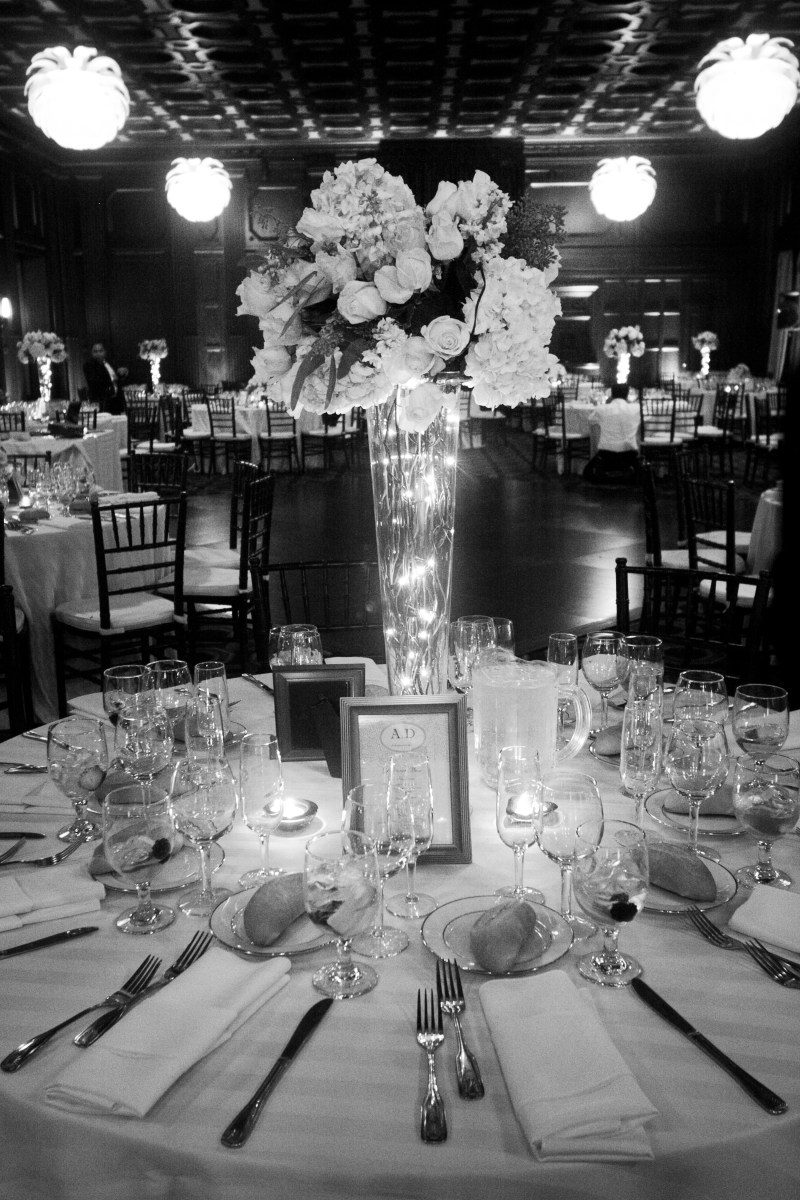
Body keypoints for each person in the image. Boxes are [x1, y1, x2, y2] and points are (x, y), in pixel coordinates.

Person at [82, 342, 127, 414]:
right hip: (102, 401)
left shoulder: (110, 363)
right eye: (95, 352)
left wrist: (122, 373)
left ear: (105, 352)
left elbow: (117, 378)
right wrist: (112, 379)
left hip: (116, 401)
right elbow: (95, 381)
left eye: (100, 351)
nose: (98, 354)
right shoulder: (89, 365)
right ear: (91, 353)